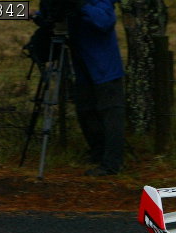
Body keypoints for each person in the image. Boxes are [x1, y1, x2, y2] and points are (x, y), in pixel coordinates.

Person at [33, 0, 125, 175]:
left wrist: (80, 5)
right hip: (83, 68)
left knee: (111, 113)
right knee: (85, 110)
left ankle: (112, 163)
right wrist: (39, 16)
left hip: (105, 67)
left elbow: (105, 22)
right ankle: (97, 153)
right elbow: (51, 18)